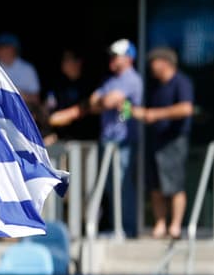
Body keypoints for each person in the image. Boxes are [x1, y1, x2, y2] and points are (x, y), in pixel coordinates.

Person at [49, 38, 144, 236]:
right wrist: (103, 101)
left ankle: (127, 229)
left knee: (123, 185)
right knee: (110, 186)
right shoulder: (111, 80)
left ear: (128, 58)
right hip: (108, 140)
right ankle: (116, 227)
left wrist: (103, 101)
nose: (111, 59)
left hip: (123, 141)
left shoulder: (131, 78)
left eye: (115, 56)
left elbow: (106, 101)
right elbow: (94, 102)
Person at [132, 46, 194, 240]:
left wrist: (156, 114)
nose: (151, 66)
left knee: (175, 184)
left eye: (154, 62)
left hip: (174, 140)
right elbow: (147, 112)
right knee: (156, 186)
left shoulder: (181, 82)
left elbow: (186, 108)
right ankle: (160, 224)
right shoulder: (156, 87)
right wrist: (132, 111)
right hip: (155, 141)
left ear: (165, 62)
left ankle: (175, 226)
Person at [0, 33, 41, 108]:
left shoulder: (27, 69)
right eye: (0, 48)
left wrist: (18, 95)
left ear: (15, 49)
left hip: (23, 110)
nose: (4, 51)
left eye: (7, 47)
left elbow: (36, 99)